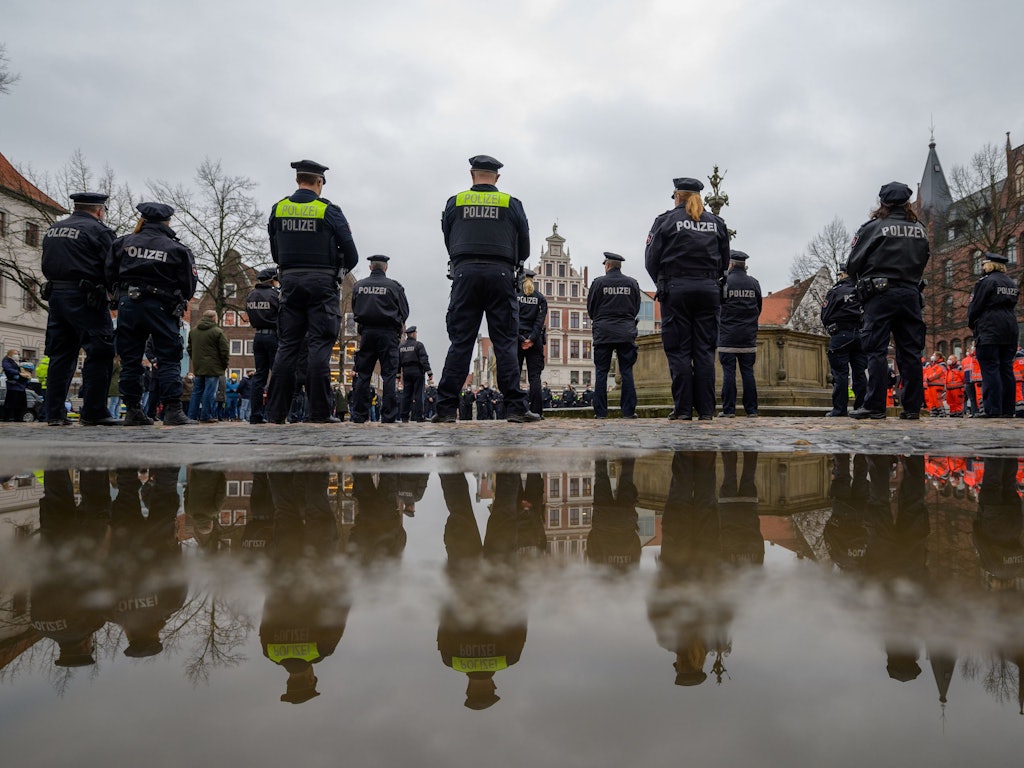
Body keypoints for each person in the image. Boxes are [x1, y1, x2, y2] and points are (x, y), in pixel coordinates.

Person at [432, 155, 538, 424]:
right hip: (501, 274)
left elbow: (448, 237)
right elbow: (525, 245)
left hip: (464, 273)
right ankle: (515, 408)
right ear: (497, 178)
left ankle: (445, 409)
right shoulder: (511, 203)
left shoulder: (455, 202)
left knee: (461, 342)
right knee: (505, 342)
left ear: (472, 174)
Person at [265, 159, 359, 424]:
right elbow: (351, 254)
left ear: (298, 180)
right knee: (319, 345)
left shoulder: (278, 209)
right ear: (319, 182)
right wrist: (336, 269)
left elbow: (275, 252)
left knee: (288, 346)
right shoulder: (329, 211)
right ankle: (319, 412)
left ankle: (276, 413)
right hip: (322, 284)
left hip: (290, 281)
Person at [645, 177, 730, 421]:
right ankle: (706, 410)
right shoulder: (716, 223)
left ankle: (683, 409)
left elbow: (651, 259)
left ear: (677, 197)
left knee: (679, 350)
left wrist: (662, 282)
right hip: (708, 289)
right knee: (704, 351)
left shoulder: (665, 221)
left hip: (676, 289)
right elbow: (725, 259)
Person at [106, 202, 197, 426]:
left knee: (130, 359)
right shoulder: (176, 249)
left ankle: (133, 410)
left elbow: (109, 273)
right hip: (162, 306)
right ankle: (173, 410)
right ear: (167, 222)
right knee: (168, 358)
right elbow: (189, 284)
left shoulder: (123, 243)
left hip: (129, 305)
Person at [846, 181, 930, 420]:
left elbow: (852, 263)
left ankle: (875, 405)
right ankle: (912, 407)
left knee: (876, 350)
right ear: (907, 203)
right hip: (911, 294)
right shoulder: (920, 229)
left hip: (880, 294)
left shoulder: (873, 227)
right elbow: (925, 258)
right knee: (911, 351)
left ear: (882, 202)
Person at [41, 191, 120, 426]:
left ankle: (54, 413)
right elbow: (112, 266)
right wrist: (113, 294)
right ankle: (94, 411)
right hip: (87, 298)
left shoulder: (53, 229)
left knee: (60, 355)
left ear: (76, 207)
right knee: (100, 351)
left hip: (56, 296)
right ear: (99, 211)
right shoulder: (99, 231)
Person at [349, 255, 409, 423]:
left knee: (363, 374)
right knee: (389, 375)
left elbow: (355, 309)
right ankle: (388, 416)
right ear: (385, 268)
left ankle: (359, 415)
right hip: (388, 333)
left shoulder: (359, 286)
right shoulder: (394, 287)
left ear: (370, 267)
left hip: (367, 333)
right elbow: (405, 311)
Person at [587, 252, 641, 419]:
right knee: (627, 372)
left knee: (601, 372)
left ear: (608, 265)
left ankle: (601, 412)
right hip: (625, 331)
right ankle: (628, 411)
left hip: (603, 332)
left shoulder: (598, 283)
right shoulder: (632, 283)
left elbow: (591, 308)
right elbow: (636, 307)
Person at [967, 252, 1020, 417]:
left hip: (990, 327)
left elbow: (975, 306)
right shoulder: (1011, 282)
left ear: (990, 265)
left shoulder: (986, 282)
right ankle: (1008, 409)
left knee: (990, 368)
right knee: (1006, 369)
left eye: (984, 264)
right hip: (1010, 326)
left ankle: (993, 409)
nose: (982, 267)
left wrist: (972, 323)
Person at [717, 250, 762, 417]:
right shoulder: (754, 283)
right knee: (748, 373)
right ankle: (752, 410)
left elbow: (717, 306)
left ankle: (728, 410)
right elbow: (759, 307)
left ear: (730, 264)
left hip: (727, 336)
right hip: (748, 337)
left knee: (729, 372)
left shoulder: (724, 283)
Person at [820, 261, 867, 416]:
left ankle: (839, 409)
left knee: (840, 373)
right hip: (860, 334)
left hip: (841, 334)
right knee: (860, 373)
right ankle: (861, 407)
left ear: (842, 274)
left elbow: (825, 314)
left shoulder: (835, 291)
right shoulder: (862, 290)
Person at [245, 267, 280, 423]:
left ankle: (255, 415)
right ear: (272, 280)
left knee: (259, 376)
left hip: (258, 336)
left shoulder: (250, 295)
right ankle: (274, 413)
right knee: (277, 374)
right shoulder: (275, 295)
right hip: (273, 336)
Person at [514, 268, 548, 418]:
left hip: (517, 340)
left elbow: (511, 319)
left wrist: (521, 339)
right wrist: (531, 339)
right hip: (535, 341)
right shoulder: (540, 298)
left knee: (515, 375)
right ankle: (536, 411)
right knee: (534, 377)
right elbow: (539, 322)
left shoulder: (515, 296)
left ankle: (516, 410)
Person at [187, 310, 230, 423]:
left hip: (199, 366)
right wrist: (224, 365)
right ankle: (206, 415)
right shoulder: (218, 332)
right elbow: (224, 351)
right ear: (214, 318)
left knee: (196, 391)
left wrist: (196, 360)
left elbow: (189, 348)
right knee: (209, 392)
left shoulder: (193, 331)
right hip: (213, 367)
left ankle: (191, 415)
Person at [398, 325, 432, 422]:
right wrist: (429, 372)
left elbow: (398, 361)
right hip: (417, 371)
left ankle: (404, 417)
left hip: (406, 372)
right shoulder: (418, 345)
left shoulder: (401, 346)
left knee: (406, 394)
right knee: (418, 394)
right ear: (413, 334)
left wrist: (398, 375)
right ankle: (419, 417)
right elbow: (424, 359)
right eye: (416, 333)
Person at [2, 349, 29, 421]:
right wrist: (19, 373)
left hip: (21, 385)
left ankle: (19, 418)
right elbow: (8, 369)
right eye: (15, 353)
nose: (17, 355)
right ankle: (7, 418)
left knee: (20, 403)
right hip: (13, 385)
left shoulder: (18, 361)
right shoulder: (7, 360)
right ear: (10, 354)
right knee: (11, 402)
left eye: (17, 353)